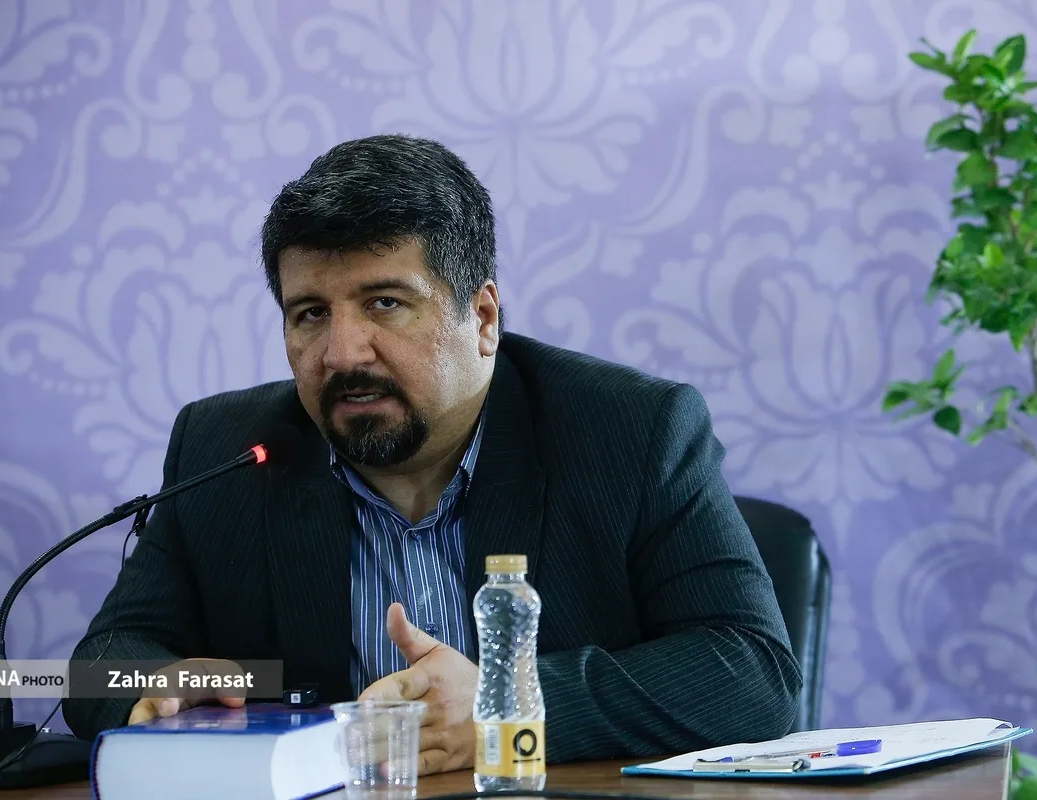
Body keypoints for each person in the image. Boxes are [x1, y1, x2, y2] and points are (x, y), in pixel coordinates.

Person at [62, 134, 802, 773]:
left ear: (482, 318)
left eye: (385, 303)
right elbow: (97, 665)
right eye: (310, 314)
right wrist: (151, 684)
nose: (342, 353)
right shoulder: (225, 450)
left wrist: (506, 707)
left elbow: (752, 672)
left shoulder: (630, 431)